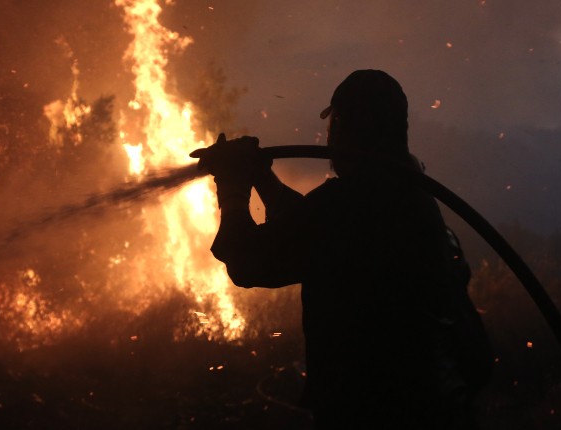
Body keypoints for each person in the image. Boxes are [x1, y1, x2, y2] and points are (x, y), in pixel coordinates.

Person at [191, 69, 493, 429]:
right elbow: (310, 228)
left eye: (333, 125)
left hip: (373, 411)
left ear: (344, 128)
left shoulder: (354, 204)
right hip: (434, 406)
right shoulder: (406, 195)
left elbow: (248, 261)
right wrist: (261, 178)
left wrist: (233, 187)